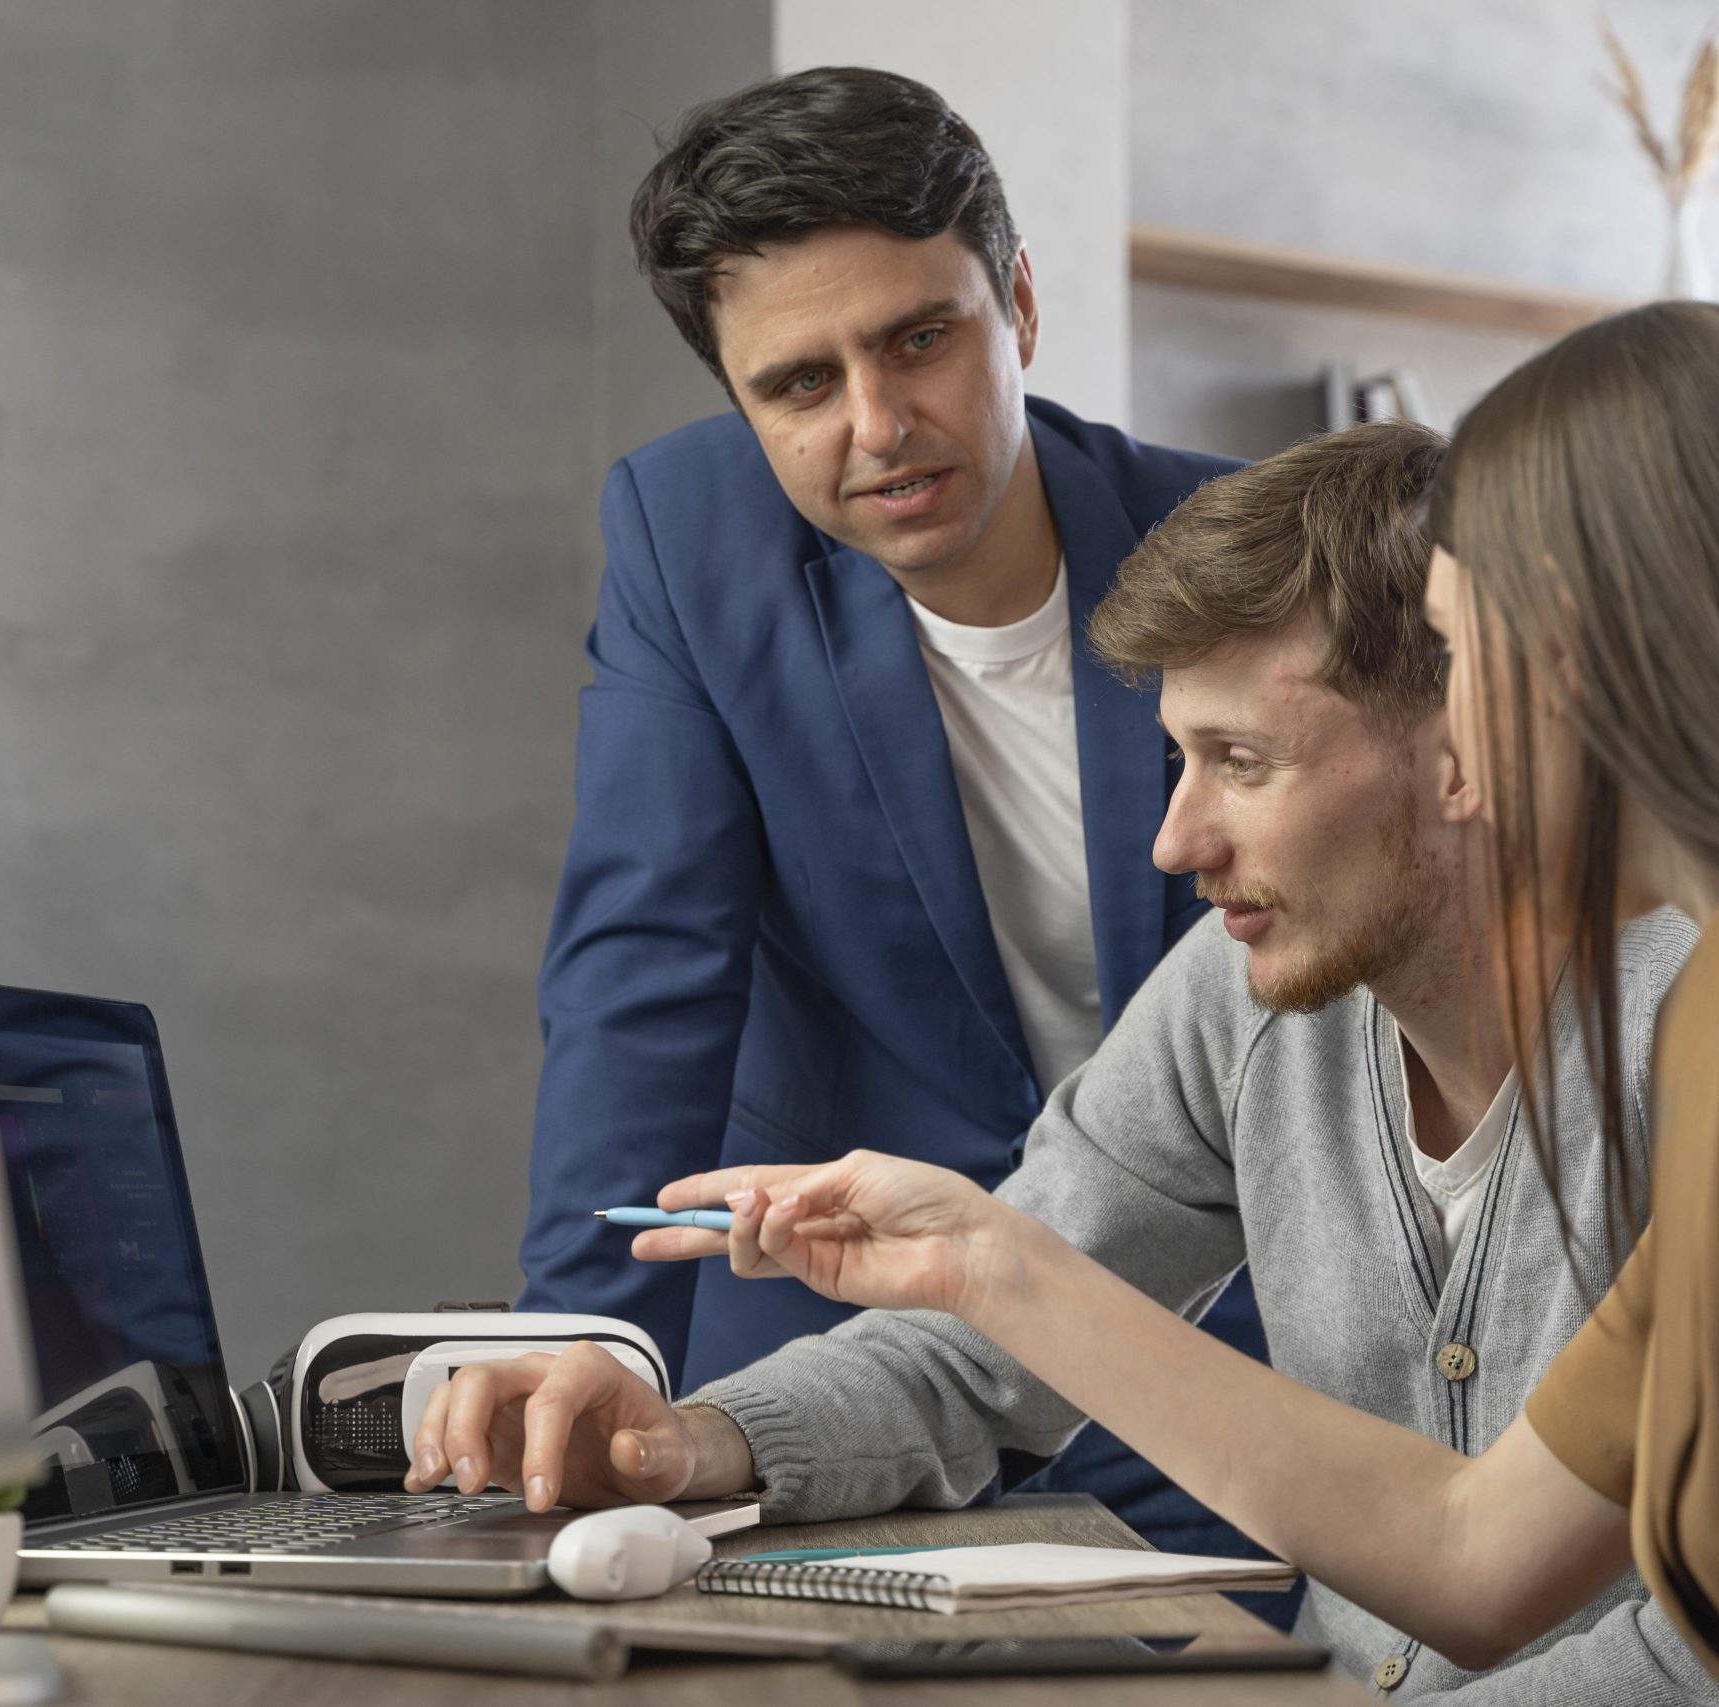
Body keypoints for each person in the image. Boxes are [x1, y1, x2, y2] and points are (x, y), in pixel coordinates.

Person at [481, 304, 1719, 1705]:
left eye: (1455, 640)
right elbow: (1475, 1547)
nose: (1177, 840)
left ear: (1597, 640)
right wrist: (972, 1266)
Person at [515, 65, 1268, 1555]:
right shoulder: (687, 542)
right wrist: (593, 1350)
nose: (878, 423)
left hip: (1201, 1331)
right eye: (799, 383)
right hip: (840, 1347)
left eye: (921, 339)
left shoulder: (1244, 550)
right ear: (739, 399)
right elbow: (640, 970)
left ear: (1021, 310)